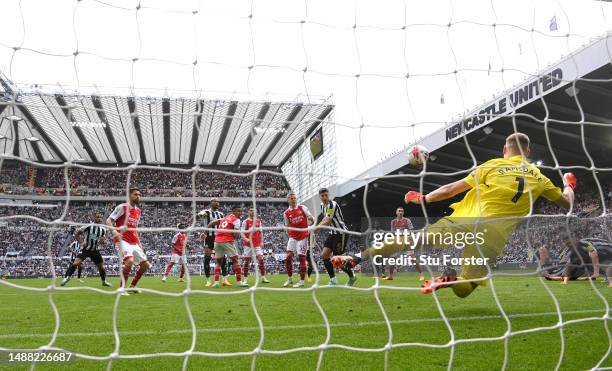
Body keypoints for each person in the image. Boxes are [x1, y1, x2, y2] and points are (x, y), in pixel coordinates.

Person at [355, 133, 575, 298]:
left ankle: (356, 257)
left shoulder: (493, 165)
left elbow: (452, 189)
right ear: (528, 153)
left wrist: (425, 198)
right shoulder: (539, 176)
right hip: (493, 234)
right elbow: (566, 203)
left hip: (464, 220)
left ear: (504, 150)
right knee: (466, 288)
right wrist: (568, 185)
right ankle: (451, 281)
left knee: (414, 239)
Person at [107, 188, 149, 295]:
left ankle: (132, 286)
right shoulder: (122, 207)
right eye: (135, 194)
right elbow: (108, 220)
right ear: (129, 196)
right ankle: (121, 289)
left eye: (139, 195)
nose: (138, 196)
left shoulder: (138, 211)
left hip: (133, 241)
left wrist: (139, 243)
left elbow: (134, 228)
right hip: (122, 240)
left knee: (146, 265)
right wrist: (115, 232)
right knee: (129, 261)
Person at [315, 188, 356, 287]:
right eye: (322, 196)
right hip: (332, 233)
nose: (324, 197)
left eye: (326, 195)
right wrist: (316, 228)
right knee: (324, 255)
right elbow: (325, 218)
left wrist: (316, 229)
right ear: (319, 197)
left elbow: (328, 220)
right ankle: (333, 280)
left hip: (341, 233)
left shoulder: (332, 205)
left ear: (329, 195)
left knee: (337, 260)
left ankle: (352, 276)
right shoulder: (322, 206)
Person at [61, 212, 111, 287]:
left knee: (101, 267)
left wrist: (103, 241)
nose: (99, 219)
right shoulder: (88, 226)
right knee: (76, 263)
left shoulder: (102, 229)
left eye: (100, 217)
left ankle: (103, 281)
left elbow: (103, 240)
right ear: (94, 218)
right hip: (85, 249)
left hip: (94, 250)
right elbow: (77, 233)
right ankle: (67, 278)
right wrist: (81, 242)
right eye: (97, 217)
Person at [543, 232, 612, 286]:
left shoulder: (585, 243)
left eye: (569, 242)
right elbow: (569, 265)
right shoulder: (574, 250)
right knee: (587, 263)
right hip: (604, 254)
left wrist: (595, 273)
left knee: (589, 261)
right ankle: (606, 275)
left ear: (575, 239)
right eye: (567, 244)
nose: (569, 245)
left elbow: (594, 254)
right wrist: (565, 280)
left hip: (609, 250)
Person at [206, 205, 248, 288]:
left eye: (241, 211)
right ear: (234, 211)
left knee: (218, 262)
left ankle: (216, 282)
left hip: (217, 241)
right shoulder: (236, 220)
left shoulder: (225, 218)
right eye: (238, 211)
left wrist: (205, 232)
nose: (240, 213)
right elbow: (236, 234)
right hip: (227, 241)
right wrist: (238, 235)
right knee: (235, 260)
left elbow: (212, 223)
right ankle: (239, 282)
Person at [283, 192, 315, 288]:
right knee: (288, 257)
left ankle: (301, 281)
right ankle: (290, 279)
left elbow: (311, 217)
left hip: (303, 237)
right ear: (288, 200)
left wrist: (310, 218)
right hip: (292, 237)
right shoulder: (286, 213)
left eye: (294, 198)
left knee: (302, 258)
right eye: (291, 198)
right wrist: (290, 235)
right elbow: (287, 226)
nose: (293, 200)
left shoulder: (302, 208)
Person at [383, 207, 425, 281]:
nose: (400, 212)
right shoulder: (393, 222)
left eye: (402, 211)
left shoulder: (407, 220)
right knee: (392, 258)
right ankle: (390, 276)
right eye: (399, 211)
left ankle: (422, 275)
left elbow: (411, 231)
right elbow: (393, 233)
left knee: (412, 258)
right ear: (396, 212)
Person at [197, 198, 228, 286]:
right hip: (209, 237)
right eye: (214, 201)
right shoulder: (206, 212)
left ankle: (224, 279)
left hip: (219, 237)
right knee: (207, 258)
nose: (216, 202)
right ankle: (208, 280)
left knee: (223, 258)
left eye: (217, 201)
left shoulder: (221, 214)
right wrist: (200, 215)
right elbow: (199, 215)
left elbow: (224, 225)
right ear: (211, 203)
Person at [241, 207, 270, 284]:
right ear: (248, 212)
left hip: (257, 244)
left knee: (261, 259)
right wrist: (245, 238)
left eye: (254, 211)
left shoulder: (258, 221)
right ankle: (245, 279)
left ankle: (263, 277)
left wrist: (262, 242)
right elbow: (242, 232)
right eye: (251, 210)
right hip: (248, 245)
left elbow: (261, 232)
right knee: (246, 261)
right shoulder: (245, 222)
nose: (252, 212)